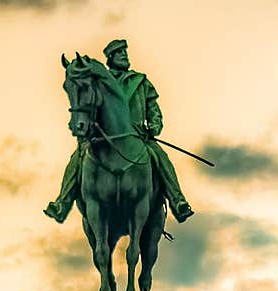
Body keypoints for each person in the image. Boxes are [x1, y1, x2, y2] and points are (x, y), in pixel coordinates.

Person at [45, 38, 194, 225]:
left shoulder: (140, 81)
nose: (124, 56)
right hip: (103, 137)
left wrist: (154, 126)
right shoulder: (100, 83)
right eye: (119, 53)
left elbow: (152, 107)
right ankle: (62, 203)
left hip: (138, 135)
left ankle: (178, 200)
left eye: (125, 52)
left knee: (159, 156)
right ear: (110, 58)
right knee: (78, 157)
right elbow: (89, 105)